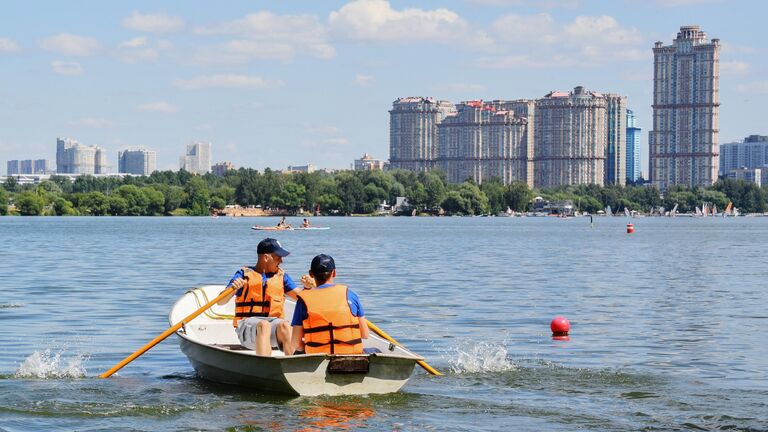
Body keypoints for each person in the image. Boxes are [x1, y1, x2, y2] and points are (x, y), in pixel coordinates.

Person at [217, 238, 299, 356]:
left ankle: (293, 366)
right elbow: (220, 302)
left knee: (285, 325)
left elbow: (302, 298)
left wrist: (310, 288)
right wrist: (233, 289)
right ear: (266, 258)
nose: (281, 261)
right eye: (278, 257)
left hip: (272, 327)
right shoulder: (243, 275)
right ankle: (265, 366)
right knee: (264, 325)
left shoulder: (282, 277)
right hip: (246, 328)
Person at [291, 254, 369, 355]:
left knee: (297, 352)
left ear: (311, 274)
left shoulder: (303, 300)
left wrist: (307, 347)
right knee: (375, 351)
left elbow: (295, 343)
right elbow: (365, 334)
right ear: (334, 273)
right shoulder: (350, 294)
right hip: (350, 357)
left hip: (317, 360)